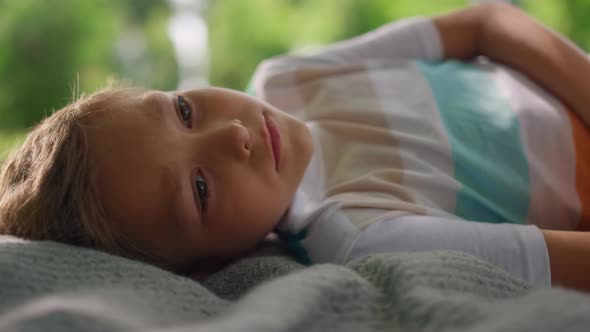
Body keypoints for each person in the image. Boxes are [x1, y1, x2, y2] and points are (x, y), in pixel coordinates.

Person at [1, 2, 590, 291]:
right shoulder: (363, 231)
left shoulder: (286, 79)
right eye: (199, 189)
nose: (231, 134)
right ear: (210, 264)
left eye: (183, 110)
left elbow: (487, 23)